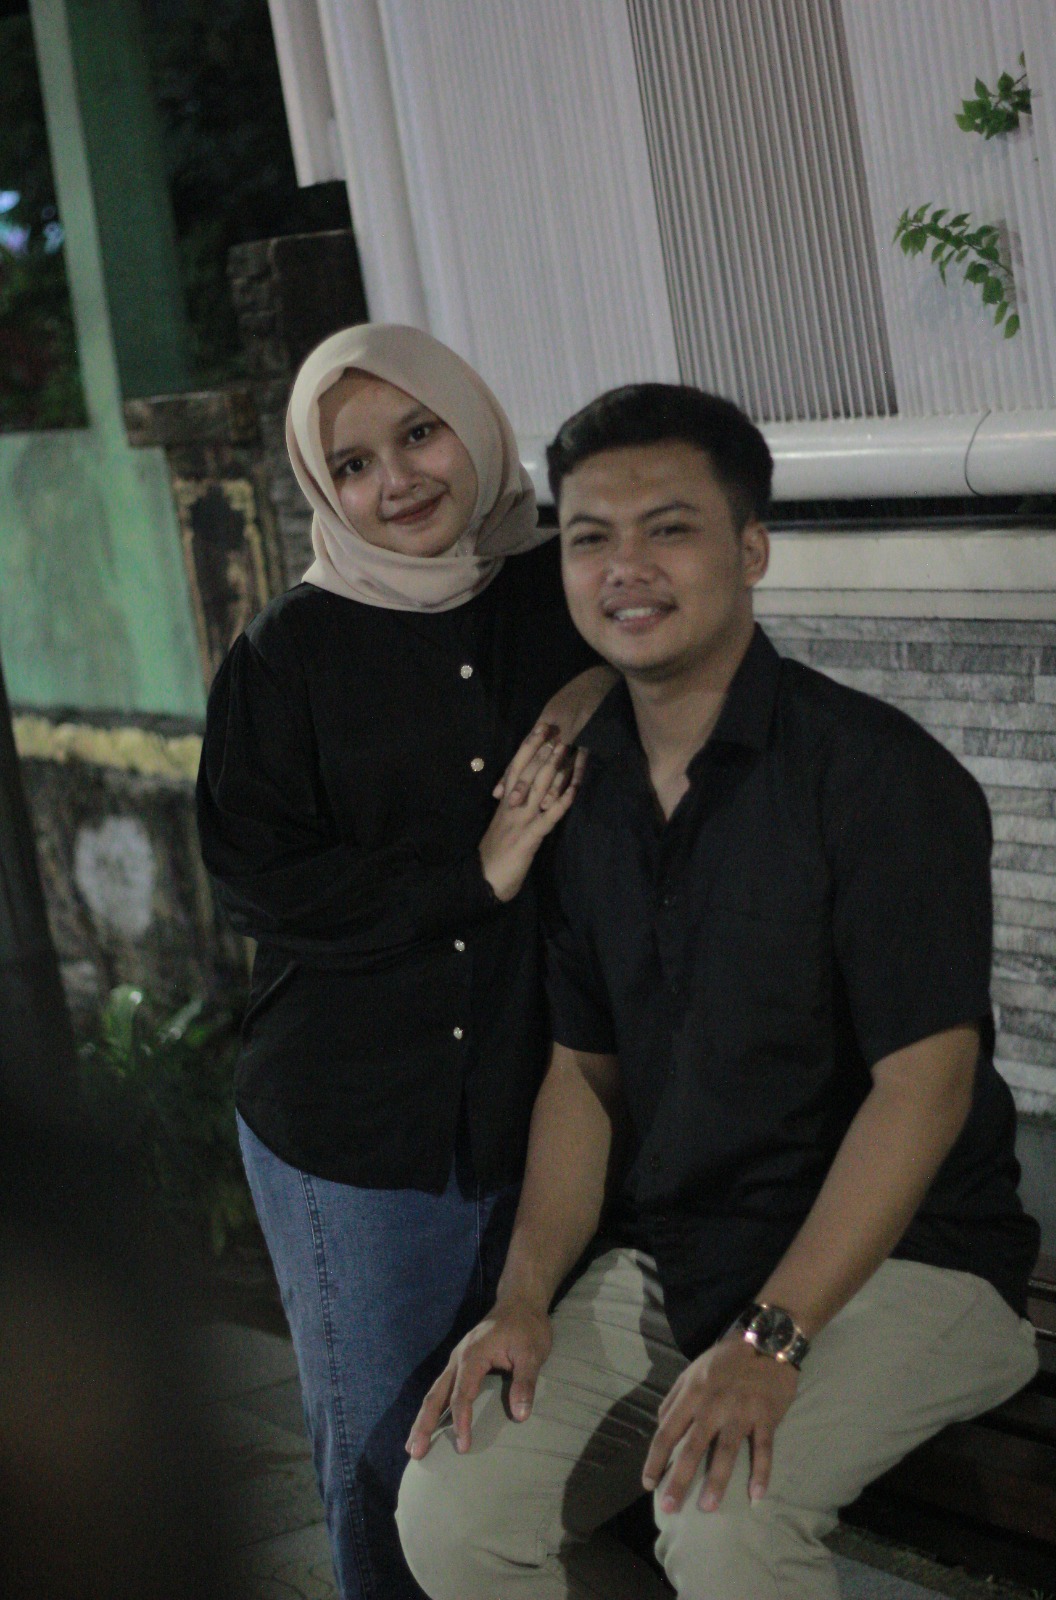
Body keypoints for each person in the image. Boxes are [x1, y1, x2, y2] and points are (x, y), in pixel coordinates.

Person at [397, 383, 1041, 1600]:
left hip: (917, 1261)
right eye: (591, 536)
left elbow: (924, 1088)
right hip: (683, 1250)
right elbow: (582, 1074)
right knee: (453, 1506)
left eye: (669, 528)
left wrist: (770, 1337)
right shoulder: (584, 792)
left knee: (725, 1521)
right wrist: (520, 1299)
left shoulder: (877, 780)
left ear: (751, 549)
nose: (624, 566)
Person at [196, 324, 612, 1600]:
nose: (398, 479)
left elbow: (695, 664)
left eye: (419, 433)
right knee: (388, 1454)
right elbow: (259, 878)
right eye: (354, 462)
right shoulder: (288, 653)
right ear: (323, 488)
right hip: (360, 1130)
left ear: (471, 423)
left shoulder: (568, 593)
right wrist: (472, 874)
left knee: (542, 1462)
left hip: (556, 1104)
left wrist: (597, 691)